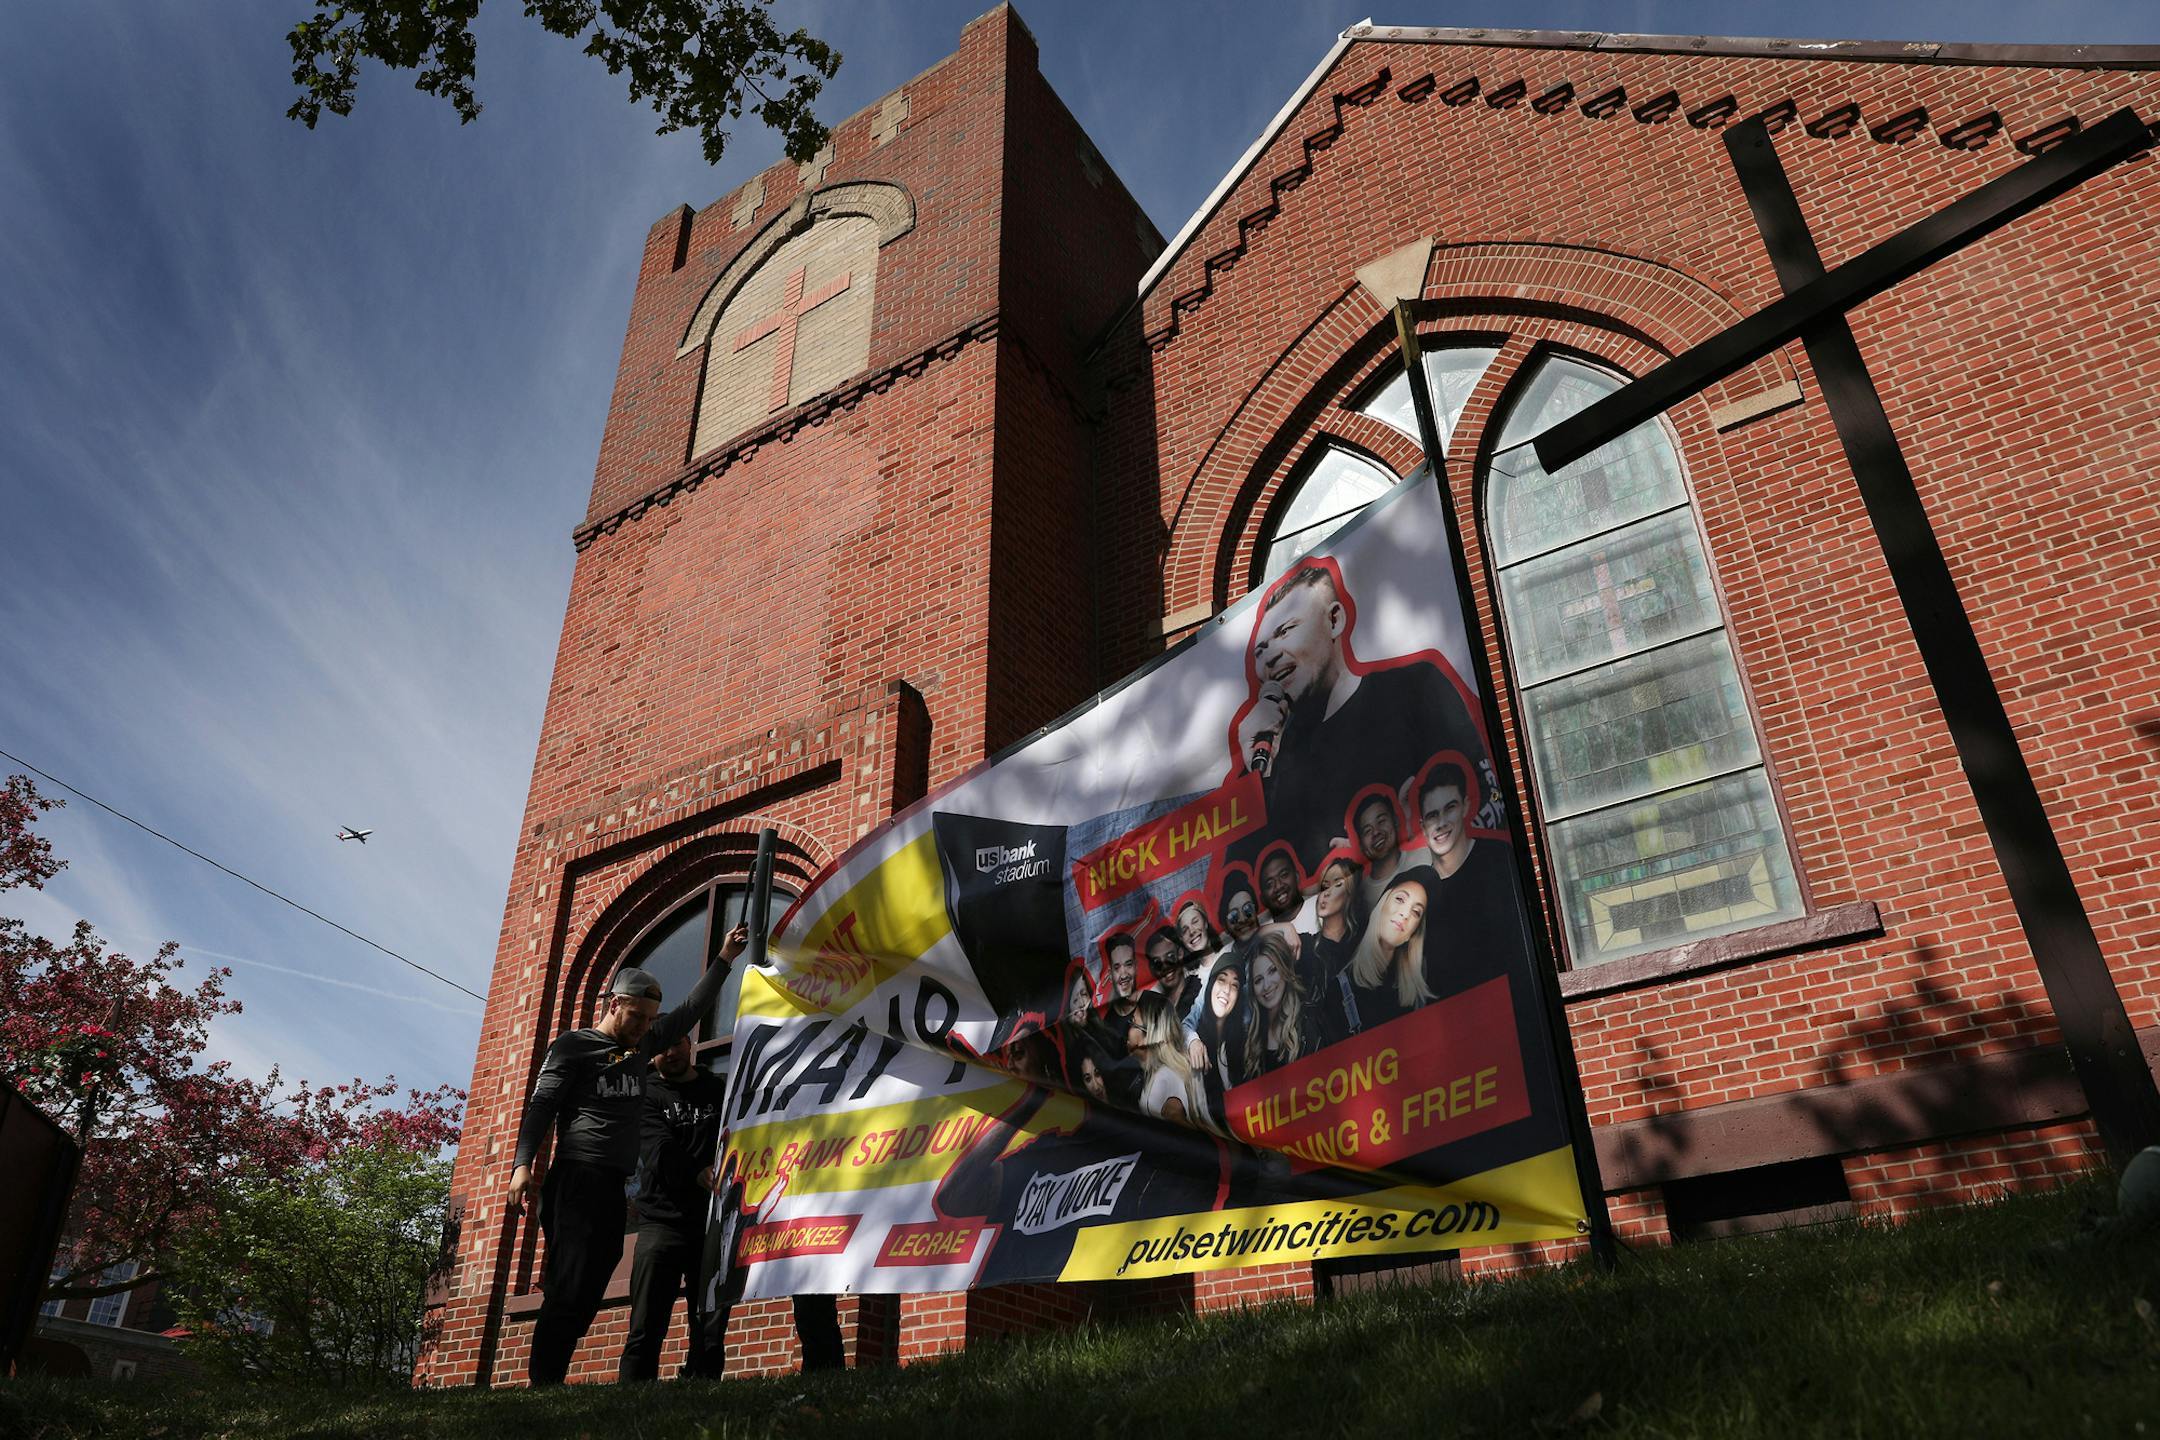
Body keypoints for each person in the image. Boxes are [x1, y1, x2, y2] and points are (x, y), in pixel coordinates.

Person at [507, 924, 749, 1386]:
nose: (643, 1027)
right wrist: (522, 1165)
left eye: (649, 1020)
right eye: (636, 1016)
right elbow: (541, 1106)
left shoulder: (642, 1046)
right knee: (570, 1282)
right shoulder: (575, 1047)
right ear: (614, 1004)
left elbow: (691, 1010)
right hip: (577, 1178)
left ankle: (549, 1377)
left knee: (595, 1279)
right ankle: (544, 1382)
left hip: (614, 1185)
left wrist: (724, 957)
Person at [1235, 561, 1490, 873]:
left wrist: (1403, 840)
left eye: (1286, 631)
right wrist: (1252, 774)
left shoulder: (1415, 688)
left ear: (1334, 620)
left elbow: (1486, 798)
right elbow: (1246, 887)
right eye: (1261, 650)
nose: (1271, 656)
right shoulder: (1271, 757)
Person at [620, 1033, 728, 1381]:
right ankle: (631, 1398)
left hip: (712, 1222)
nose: (672, 1052)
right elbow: (658, 1150)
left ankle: (702, 1392)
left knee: (710, 1329)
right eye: (662, 1047)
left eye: (678, 1042)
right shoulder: (646, 1095)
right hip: (660, 1224)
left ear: (690, 1044)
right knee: (645, 1328)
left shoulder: (719, 1088)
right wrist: (697, 1173)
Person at [1415, 760, 1524, 996]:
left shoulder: (1500, 858)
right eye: (1433, 816)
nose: (1441, 823)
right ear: (1422, 826)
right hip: (1456, 1020)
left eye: (1450, 808)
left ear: (1465, 806)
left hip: (1511, 1003)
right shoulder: (1417, 894)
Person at [1323, 867, 1435, 1042]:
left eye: (1416, 912)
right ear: (1382, 903)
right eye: (1400, 899)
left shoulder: (1421, 985)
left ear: (1414, 932)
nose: (1405, 914)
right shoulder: (1338, 992)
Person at [1193, 952, 1256, 1121]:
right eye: (1222, 979)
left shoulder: (1244, 1040)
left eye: (1234, 985)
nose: (1227, 990)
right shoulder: (1195, 1045)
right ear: (1211, 984)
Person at [1248, 932, 1322, 1074]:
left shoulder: (1309, 1021)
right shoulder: (1253, 1038)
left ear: (1284, 970)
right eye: (1258, 980)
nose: (1266, 985)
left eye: (1272, 971)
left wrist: (1287, 928)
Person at [1134, 991, 1209, 1127]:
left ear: (1149, 1032)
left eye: (1133, 1023)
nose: (1129, 1029)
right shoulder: (1172, 1069)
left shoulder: (1165, 1078)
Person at [1297, 855, 1366, 1001]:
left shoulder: (1363, 937)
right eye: (1324, 886)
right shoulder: (1307, 946)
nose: (1326, 893)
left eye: (1337, 884)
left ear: (1350, 893)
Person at [1349, 790, 1407, 911]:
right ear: (1361, 846)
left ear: (1395, 820)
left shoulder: (1423, 857)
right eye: (1367, 831)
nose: (1376, 832)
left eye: (1381, 821)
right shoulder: (1360, 896)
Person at [1257, 845, 1305, 927]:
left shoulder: (1322, 907)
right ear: (1263, 899)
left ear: (1296, 877)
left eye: (1284, 875)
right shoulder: (1262, 936)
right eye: (1270, 884)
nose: (1278, 886)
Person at [1172, 897, 1219, 968]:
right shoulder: (1188, 977)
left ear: (1205, 922)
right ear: (1181, 939)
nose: (1191, 931)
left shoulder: (1231, 951)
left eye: (1195, 922)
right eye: (1185, 930)